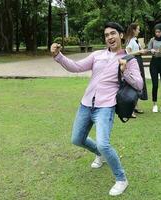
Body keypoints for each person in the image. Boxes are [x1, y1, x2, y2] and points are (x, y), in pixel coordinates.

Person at [50, 22, 143, 196]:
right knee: (77, 139)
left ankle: (121, 179)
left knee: (103, 143)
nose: (110, 37)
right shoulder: (97, 55)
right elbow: (76, 67)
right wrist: (59, 56)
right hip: (86, 104)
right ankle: (99, 154)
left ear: (121, 36)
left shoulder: (129, 59)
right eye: (107, 35)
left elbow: (139, 84)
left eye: (113, 33)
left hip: (105, 107)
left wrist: (124, 71)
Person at [125, 23, 148, 117]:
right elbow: (128, 53)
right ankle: (130, 109)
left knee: (138, 84)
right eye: (138, 29)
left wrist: (143, 51)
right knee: (134, 84)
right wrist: (139, 51)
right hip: (133, 62)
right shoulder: (130, 40)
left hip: (138, 61)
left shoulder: (135, 40)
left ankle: (135, 106)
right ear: (133, 30)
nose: (139, 31)